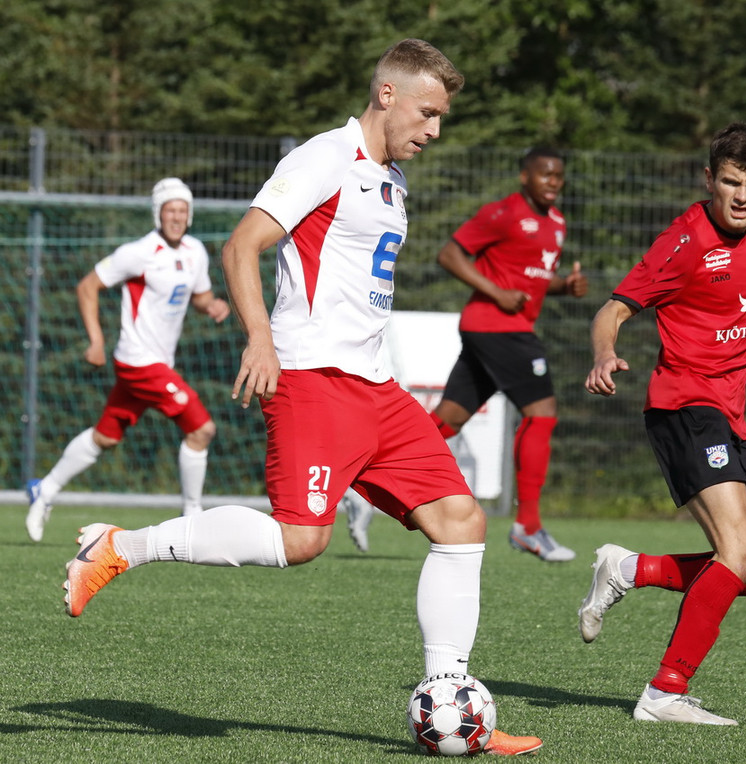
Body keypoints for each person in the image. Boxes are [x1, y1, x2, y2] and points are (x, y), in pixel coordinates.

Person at [61, 39, 541, 756]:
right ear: (386, 94)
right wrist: (260, 338)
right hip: (313, 379)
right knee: (301, 540)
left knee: (461, 521)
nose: (435, 129)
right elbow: (242, 246)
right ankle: (120, 547)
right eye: (428, 112)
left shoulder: (391, 177)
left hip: (374, 387)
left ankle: (452, 706)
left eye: (442, 116)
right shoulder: (325, 157)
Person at [578, 122, 746, 725]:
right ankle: (664, 693)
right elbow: (611, 311)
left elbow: (735, 333)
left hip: (730, 418)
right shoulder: (683, 242)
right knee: (739, 549)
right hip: (684, 409)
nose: (741, 196)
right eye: (730, 182)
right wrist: (604, 354)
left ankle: (629, 568)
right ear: (709, 179)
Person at [25, 177, 230, 542]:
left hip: (157, 363)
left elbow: (199, 296)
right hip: (138, 361)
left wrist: (211, 305)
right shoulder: (139, 253)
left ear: (190, 214)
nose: (176, 217)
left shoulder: (195, 251)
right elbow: (87, 286)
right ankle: (192, 518)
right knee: (201, 429)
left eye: (182, 210)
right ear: (158, 214)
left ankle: (45, 488)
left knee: (105, 437)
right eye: (170, 210)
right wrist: (96, 340)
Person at [426, 146, 587, 562]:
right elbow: (449, 255)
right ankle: (527, 527)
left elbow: (535, 279)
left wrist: (564, 287)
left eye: (558, 175)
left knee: (447, 420)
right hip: (500, 327)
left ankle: (363, 484)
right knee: (542, 412)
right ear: (524, 177)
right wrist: (497, 293)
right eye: (544, 174)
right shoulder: (503, 213)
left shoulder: (557, 222)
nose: (553, 182)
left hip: (493, 330)